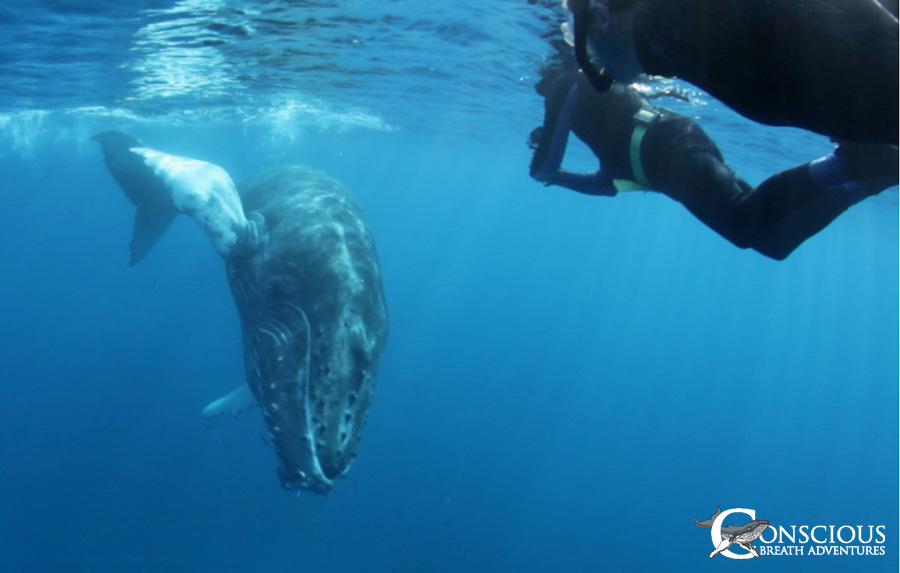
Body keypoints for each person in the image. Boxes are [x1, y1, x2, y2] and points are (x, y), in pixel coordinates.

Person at [528, 68, 896, 260]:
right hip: (669, 151)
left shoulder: (567, 83)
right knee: (773, 243)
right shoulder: (590, 118)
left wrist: (546, 166)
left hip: (668, 148)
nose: (538, 85)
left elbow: (542, 168)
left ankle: (849, 163)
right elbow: (607, 184)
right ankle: (871, 178)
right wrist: (558, 176)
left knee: (742, 225)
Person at [560, 0, 899, 193]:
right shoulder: (675, 42)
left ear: (602, 16)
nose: (591, 58)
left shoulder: (672, 21)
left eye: (580, 37)